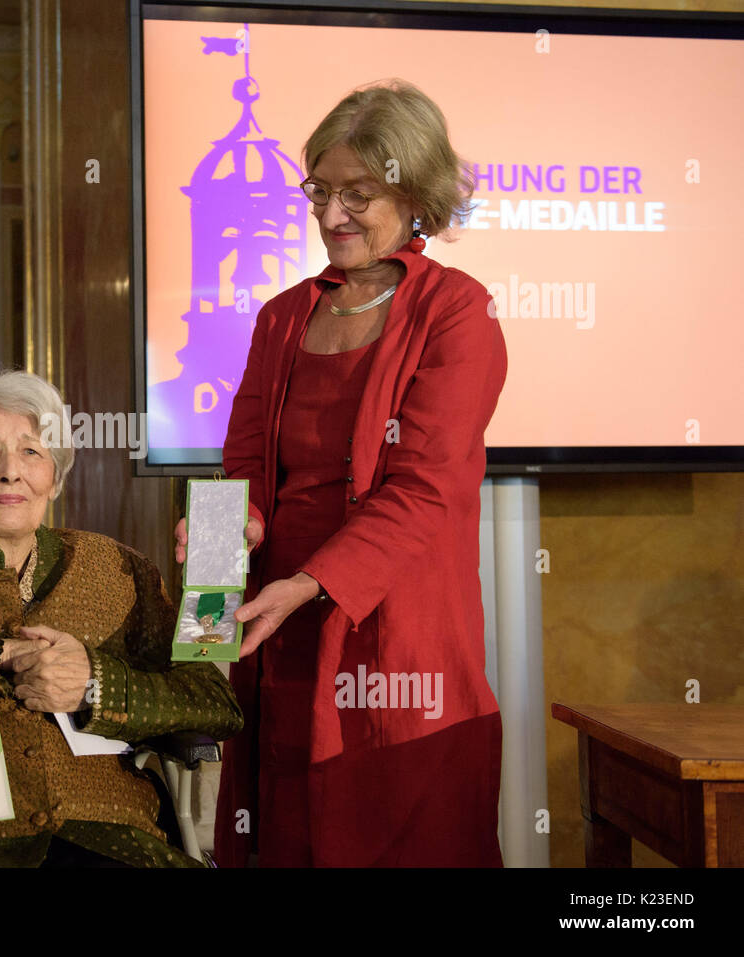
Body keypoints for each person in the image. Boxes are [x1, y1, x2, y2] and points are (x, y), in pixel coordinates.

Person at [177, 81, 507, 867]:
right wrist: (218, 562)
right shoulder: (282, 315)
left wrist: (312, 584)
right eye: (319, 191)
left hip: (397, 643)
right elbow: (245, 468)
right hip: (279, 630)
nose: (330, 217)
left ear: (416, 192)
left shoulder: (459, 313)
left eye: (357, 195)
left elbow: (426, 489)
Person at [0, 370, 243, 867]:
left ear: (54, 478)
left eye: (32, 452)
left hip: (108, 834)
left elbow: (215, 701)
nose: (11, 472)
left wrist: (96, 686)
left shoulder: (120, 569)